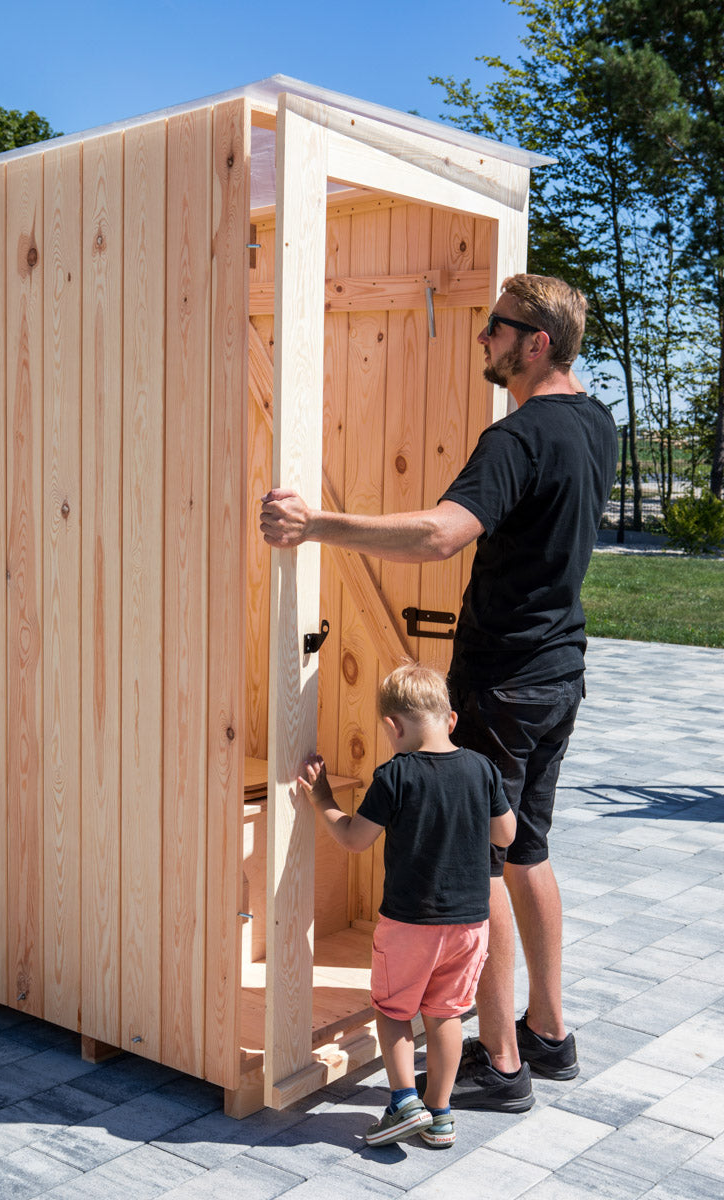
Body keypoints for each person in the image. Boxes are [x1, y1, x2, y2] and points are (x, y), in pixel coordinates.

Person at [262, 274, 619, 1112]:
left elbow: (439, 533)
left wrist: (314, 525)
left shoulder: (520, 436)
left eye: (496, 328)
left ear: (537, 343)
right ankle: (550, 1034)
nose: (483, 339)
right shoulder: (595, 423)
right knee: (524, 849)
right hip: (558, 671)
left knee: (479, 870)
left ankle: (499, 1062)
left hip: (502, 679)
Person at [298, 662, 515, 1148]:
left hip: (408, 925)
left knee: (395, 1011)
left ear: (393, 727)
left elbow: (354, 839)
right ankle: (439, 1114)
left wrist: (323, 798)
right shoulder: (483, 769)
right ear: (452, 720)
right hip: (469, 926)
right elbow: (506, 834)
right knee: (447, 1015)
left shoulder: (395, 775)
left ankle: (401, 1103)